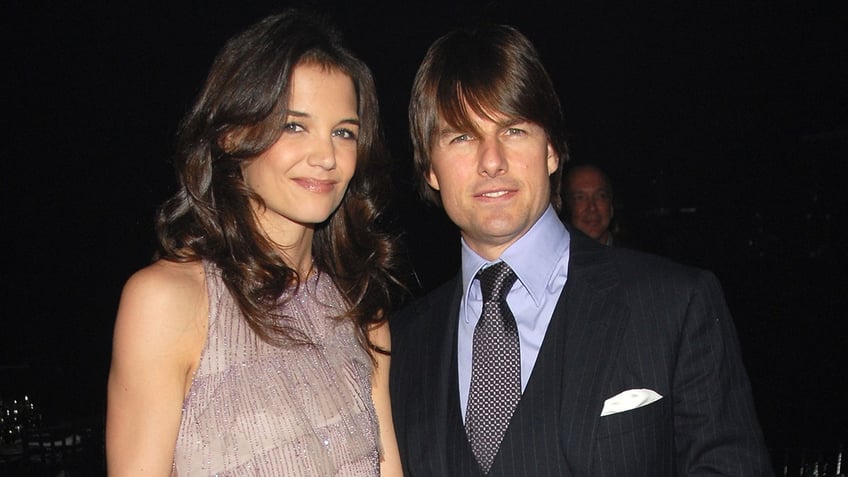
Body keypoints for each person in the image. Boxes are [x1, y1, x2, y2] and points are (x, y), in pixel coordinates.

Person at [389, 23, 773, 476]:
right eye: (461, 137)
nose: (491, 160)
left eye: (513, 130)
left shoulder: (675, 304)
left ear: (551, 150)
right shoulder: (399, 346)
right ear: (430, 168)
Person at [106, 10, 404, 476]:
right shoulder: (166, 302)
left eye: (343, 132)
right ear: (232, 134)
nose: (325, 156)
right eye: (294, 125)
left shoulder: (361, 310)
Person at [563, 163, 616, 245]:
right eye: (580, 198)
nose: (592, 208)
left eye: (600, 196)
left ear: (611, 206)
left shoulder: (632, 256)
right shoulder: (553, 256)